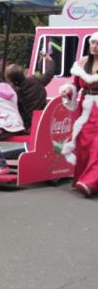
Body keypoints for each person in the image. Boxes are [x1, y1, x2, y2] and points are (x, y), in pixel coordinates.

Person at [59, 32, 98, 197]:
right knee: (83, 145)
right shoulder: (82, 63)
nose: (95, 46)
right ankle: (83, 178)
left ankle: (90, 182)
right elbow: (75, 85)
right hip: (87, 109)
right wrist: (68, 91)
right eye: (93, 43)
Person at [6, 54, 55, 130]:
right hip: (44, 118)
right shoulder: (35, 80)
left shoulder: (15, 93)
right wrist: (49, 61)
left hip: (29, 125)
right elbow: (48, 74)